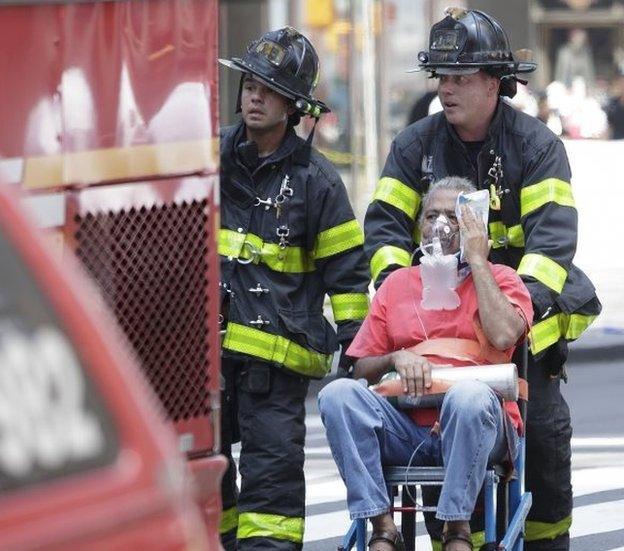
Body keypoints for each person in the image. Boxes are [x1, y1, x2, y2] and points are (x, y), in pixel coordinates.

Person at [364, 8, 601, 550]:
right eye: (441, 78)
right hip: (435, 341)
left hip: (516, 341)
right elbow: (381, 232)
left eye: (460, 79)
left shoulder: (537, 149)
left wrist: (511, 318)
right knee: (437, 448)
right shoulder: (414, 148)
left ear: (494, 84)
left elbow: (550, 249)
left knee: (539, 447)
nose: (446, 90)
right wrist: (408, 303)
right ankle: (458, 536)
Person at [320, 176, 533, 551]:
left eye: (453, 216)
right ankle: (382, 526)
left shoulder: (503, 280)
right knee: (337, 395)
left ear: (474, 225)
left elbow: (503, 337)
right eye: (431, 214)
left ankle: (456, 529)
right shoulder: (397, 284)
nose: (440, 225)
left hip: (478, 423)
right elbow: (360, 367)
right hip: (406, 427)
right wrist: (395, 357)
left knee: (467, 396)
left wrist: (478, 259)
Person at [217, 27, 370, 550]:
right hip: (206, 363)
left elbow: (348, 278)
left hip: (276, 371)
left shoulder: (318, 182)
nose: (254, 96)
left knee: (272, 498)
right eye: (249, 84)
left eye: (269, 88)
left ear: (296, 105)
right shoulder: (210, 159)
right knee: (209, 488)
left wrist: (360, 354)